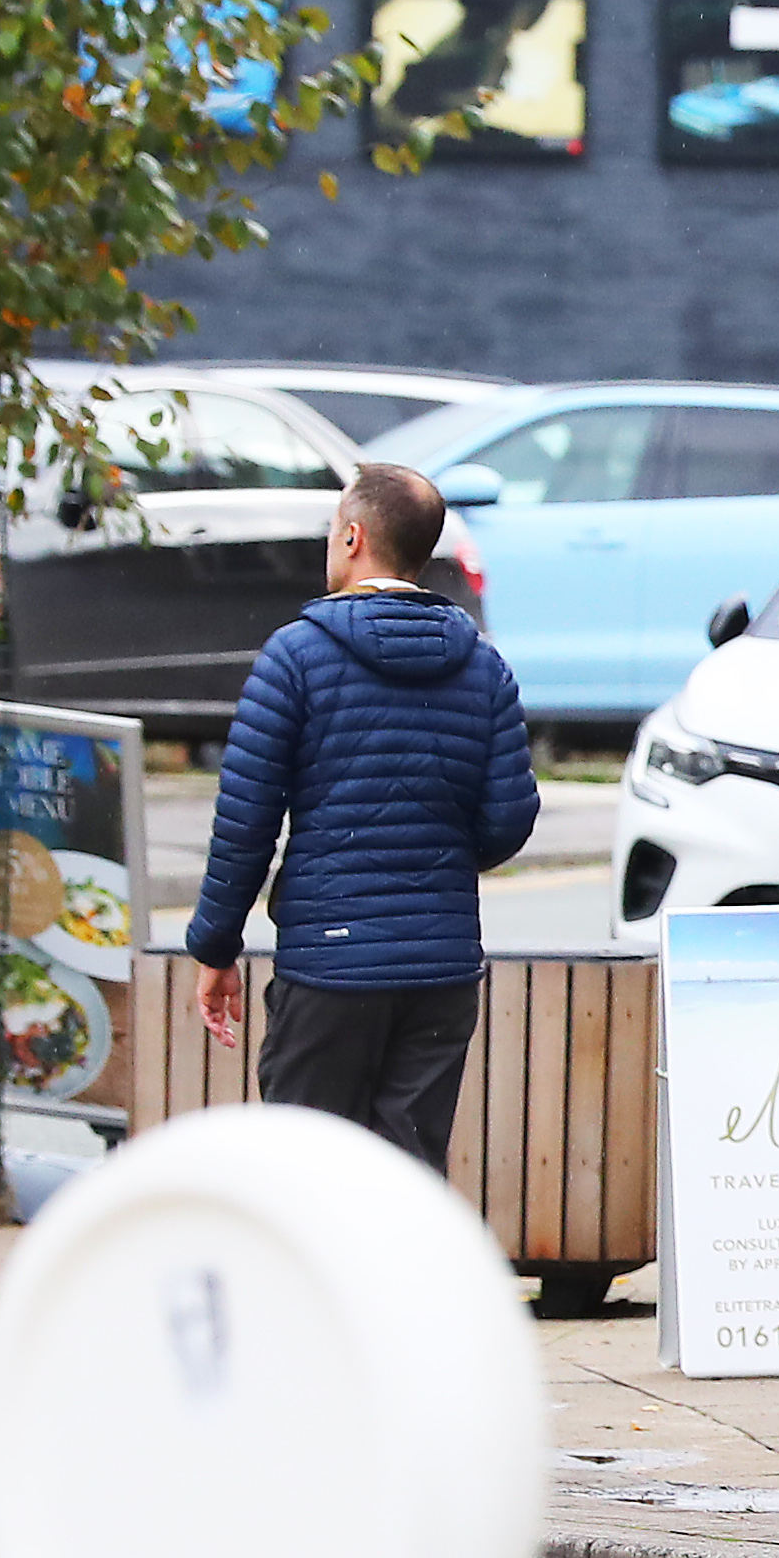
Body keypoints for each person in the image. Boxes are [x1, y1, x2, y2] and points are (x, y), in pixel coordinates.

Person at [186, 461, 538, 1171]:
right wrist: (431, 862)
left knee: (307, 1174)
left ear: (352, 537)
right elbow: (508, 819)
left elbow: (246, 821)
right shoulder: (483, 667)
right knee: (405, 1180)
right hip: (440, 971)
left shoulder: (296, 658)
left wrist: (215, 948)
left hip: (328, 968)